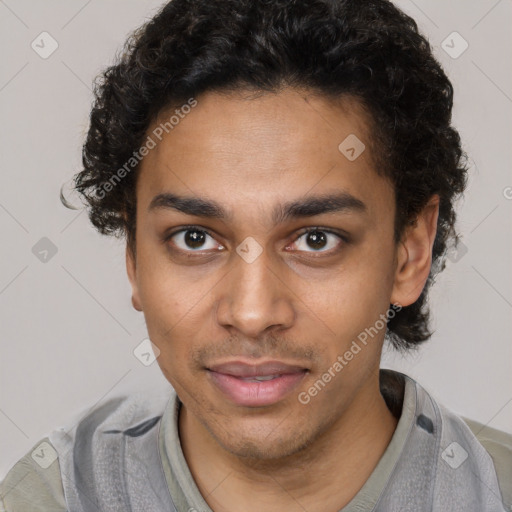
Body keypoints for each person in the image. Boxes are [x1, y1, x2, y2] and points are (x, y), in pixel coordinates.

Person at [1, 0, 511, 510]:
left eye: (316, 239)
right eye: (195, 239)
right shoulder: (57, 496)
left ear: (409, 253)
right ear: (133, 256)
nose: (251, 314)